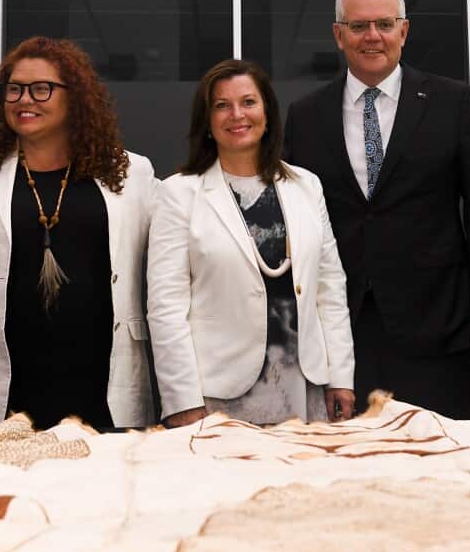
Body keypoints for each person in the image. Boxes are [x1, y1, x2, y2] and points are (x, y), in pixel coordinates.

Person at [284, 0, 470, 420]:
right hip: (340, 326)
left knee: (437, 455)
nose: (372, 37)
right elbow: (294, 218)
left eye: (384, 24)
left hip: (436, 321)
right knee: (348, 461)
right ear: (338, 34)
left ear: (403, 31)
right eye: (359, 25)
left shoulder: (451, 101)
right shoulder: (306, 115)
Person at [0, 36, 156, 432]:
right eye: (14, 89)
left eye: (41, 88)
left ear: (76, 98)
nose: (24, 99)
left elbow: (164, 277)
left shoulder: (134, 174)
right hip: (7, 380)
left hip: (105, 378)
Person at [149, 59, 355, 427]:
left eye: (248, 102)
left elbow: (329, 289)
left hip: (304, 386)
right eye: (221, 105)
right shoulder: (178, 194)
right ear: (207, 122)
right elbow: (166, 307)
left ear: (267, 113)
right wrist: (181, 400)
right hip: (218, 395)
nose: (236, 115)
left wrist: (340, 376)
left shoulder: (307, 186)